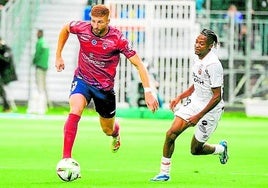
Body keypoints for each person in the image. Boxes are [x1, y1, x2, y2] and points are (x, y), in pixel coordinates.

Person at [55, 4, 159, 159]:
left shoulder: (118, 39)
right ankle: (66, 158)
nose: (95, 26)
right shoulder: (82, 28)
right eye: (93, 21)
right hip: (82, 79)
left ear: (108, 21)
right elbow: (65, 28)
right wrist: (58, 55)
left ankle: (116, 133)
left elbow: (139, 64)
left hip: (104, 89)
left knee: (107, 130)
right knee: (75, 110)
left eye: (100, 22)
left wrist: (148, 92)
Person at [151, 29, 228, 182]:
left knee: (196, 150)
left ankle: (221, 149)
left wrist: (198, 116)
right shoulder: (198, 59)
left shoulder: (213, 65)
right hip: (194, 103)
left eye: (201, 43)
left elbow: (217, 96)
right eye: (196, 42)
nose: (197, 46)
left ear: (210, 46)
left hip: (210, 110)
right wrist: (180, 96)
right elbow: (197, 83)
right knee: (171, 134)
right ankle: (164, 172)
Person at [30, 29, 50, 114]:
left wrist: (33, 61)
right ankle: (44, 107)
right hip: (45, 67)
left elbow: (37, 54)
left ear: (40, 33)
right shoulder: (46, 42)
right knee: (43, 87)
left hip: (39, 67)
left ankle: (40, 108)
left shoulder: (39, 42)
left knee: (40, 88)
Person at [0, 37, 17, 112]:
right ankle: (7, 106)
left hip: (8, 74)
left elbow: (6, 60)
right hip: (3, 73)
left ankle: (8, 107)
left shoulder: (6, 49)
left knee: (3, 89)